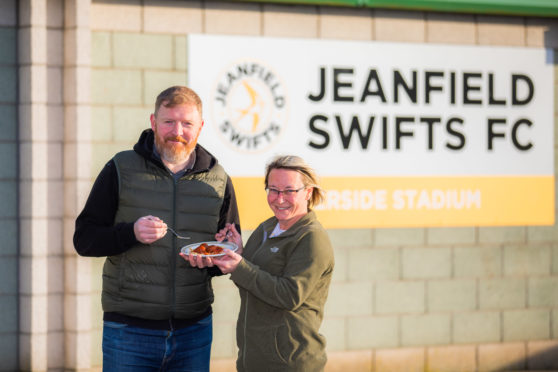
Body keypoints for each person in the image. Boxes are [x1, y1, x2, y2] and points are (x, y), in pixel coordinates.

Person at [73, 85, 240, 371]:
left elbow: (230, 248)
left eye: (187, 123)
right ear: (153, 122)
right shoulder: (120, 168)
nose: (178, 131)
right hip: (128, 332)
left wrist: (215, 261)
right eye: (169, 122)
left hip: (194, 332)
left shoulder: (218, 178)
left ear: (200, 127)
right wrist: (131, 233)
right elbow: (84, 239)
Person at [184, 155, 334, 372]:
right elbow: (252, 284)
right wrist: (236, 252)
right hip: (253, 361)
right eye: (273, 189)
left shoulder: (311, 238)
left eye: (289, 191)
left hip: (289, 364)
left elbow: (289, 295)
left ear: (308, 192)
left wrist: (240, 266)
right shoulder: (267, 227)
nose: (279, 198)